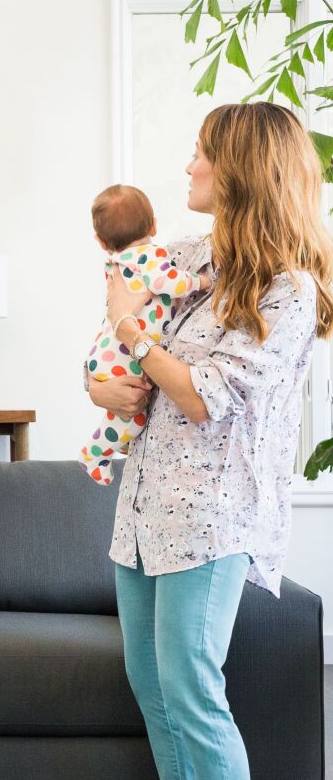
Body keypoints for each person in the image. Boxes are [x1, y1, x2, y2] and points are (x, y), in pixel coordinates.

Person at [88, 102, 333, 780]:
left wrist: (135, 335)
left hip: (209, 520)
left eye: (202, 154)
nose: (189, 167)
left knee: (192, 691)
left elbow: (203, 396)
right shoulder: (191, 261)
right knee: (155, 689)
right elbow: (118, 344)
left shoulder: (288, 291)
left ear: (241, 171)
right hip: (143, 514)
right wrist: (102, 388)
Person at [80, 184, 210, 485]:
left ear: (101, 242)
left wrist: (97, 385)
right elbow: (171, 282)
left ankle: (98, 453)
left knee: (129, 419)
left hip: (108, 354)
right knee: (133, 418)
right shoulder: (152, 256)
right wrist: (200, 282)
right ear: (153, 224)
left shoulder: (118, 264)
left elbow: (117, 312)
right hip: (123, 358)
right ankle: (93, 454)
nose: (189, 170)